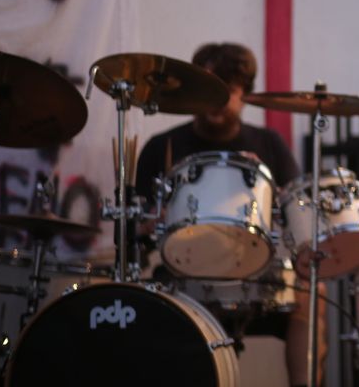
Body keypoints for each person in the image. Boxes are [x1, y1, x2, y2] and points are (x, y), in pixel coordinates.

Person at [135, 42, 327, 387]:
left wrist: (277, 201)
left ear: (245, 94)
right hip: (183, 278)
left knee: (311, 295)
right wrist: (149, 223)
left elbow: (298, 215)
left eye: (229, 90)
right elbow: (133, 233)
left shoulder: (269, 145)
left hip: (258, 278)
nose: (219, 100)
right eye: (211, 89)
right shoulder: (161, 147)